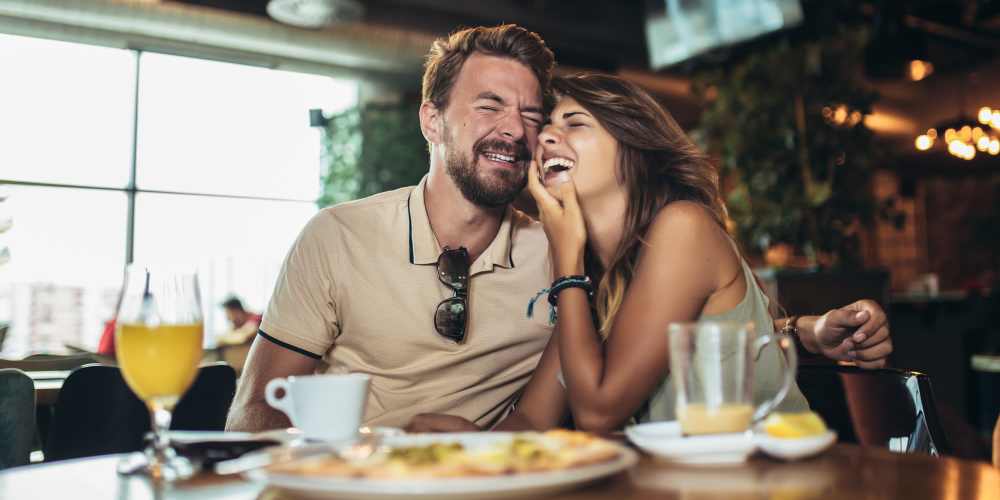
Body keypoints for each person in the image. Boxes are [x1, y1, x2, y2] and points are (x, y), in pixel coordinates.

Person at [227, 25, 891, 433]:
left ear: (631, 148)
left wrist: (803, 331)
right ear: (432, 121)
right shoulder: (337, 237)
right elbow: (255, 409)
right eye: (490, 105)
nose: (523, 133)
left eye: (541, 117)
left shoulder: (569, 254)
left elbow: (635, 375)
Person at [408, 73, 892, 433]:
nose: (546, 137)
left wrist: (566, 259)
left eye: (575, 123)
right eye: (548, 126)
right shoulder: (598, 278)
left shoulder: (681, 227)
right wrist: (465, 443)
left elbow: (600, 410)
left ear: (634, 151)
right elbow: (535, 418)